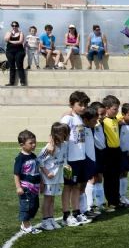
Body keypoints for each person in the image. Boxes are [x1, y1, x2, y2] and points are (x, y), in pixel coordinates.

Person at [60, 91, 91, 226]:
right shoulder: (68, 118)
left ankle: (77, 212)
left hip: (80, 159)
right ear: (72, 104)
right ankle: (66, 215)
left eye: (85, 105)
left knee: (77, 186)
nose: (83, 107)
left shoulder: (79, 118)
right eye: (80, 104)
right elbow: (59, 135)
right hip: (69, 161)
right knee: (68, 186)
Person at [38, 122, 70, 230]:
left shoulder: (64, 145)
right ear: (55, 134)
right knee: (47, 199)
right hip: (48, 179)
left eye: (65, 133)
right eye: (62, 134)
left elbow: (64, 160)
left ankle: (51, 219)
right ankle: (45, 220)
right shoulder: (49, 147)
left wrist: (67, 170)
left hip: (58, 177)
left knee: (52, 199)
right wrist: (47, 173)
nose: (64, 136)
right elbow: (39, 161)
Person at [14, 130, 42, 234]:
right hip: (25, 188)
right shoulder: (20, 158)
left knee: (35, 206)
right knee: (26, 206)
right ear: (22, 145)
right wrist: (18, 187)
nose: (34, 145)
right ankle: (26, 225)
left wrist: (41, 184)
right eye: (31, 143)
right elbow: (16, 174)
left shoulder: (33, 156)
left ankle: (26, 223)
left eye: (35, 142)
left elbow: (37, 170)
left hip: (35, 188)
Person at [102, 95, 124, 209]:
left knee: (116, 177)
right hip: (108, 152)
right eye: (115, 109)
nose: (117, 111)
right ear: (106, 108)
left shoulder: (116, 118)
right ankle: (110, 201)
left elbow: (125, 116)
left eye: (117, 109)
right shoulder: (103, 121)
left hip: (117, 151)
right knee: (109, 178)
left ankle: (116, 199)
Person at [85, 101, 106, 214]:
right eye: (100, 114)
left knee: (99, 177)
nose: (102, 117)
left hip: (101, 153)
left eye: (103, 114)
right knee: (92, 179)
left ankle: (100, 203)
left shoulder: (100, 124)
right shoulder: (91, 126)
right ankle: (89, 205)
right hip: (93, 154)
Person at [4, 21, 26, 86]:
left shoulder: (21, 33)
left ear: (18, 26)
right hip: (10, 51)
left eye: (15, 25)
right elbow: (6, 39)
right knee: (12, 66)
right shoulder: (9, 32)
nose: (14, 27)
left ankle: (22, 82)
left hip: (19, 51)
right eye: (13, 26)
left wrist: (10, 41)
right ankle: (11, 82)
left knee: (19, 65)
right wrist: (11, 33)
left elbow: (20, 41)